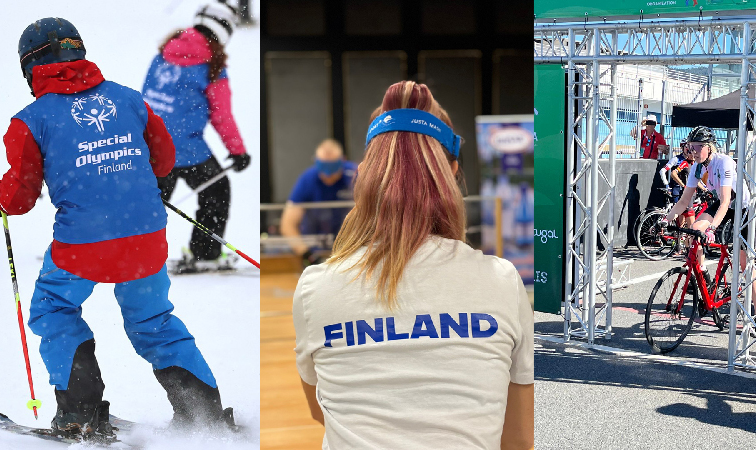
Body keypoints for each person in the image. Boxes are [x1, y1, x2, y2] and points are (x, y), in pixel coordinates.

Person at [0, 17, 235, 438]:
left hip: (82, 245)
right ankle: (203, 414)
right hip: (144, 236)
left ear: (28, 67)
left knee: (54, 308)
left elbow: (20, 196)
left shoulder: (30, 121)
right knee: (154, 320)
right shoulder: (129, 100)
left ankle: (80, 414)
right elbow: (164, 161)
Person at [292, 81, 534, 450]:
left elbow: (323, 411)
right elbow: (517, 439)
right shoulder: (502, 281)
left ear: (365, 173)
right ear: (452, 170)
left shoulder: (315, 288)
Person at [142, 0, 251, 274]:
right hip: (187, 149)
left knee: (148, 205)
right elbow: (221, 116)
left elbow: (145, 99)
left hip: (152, 148)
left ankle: (128, 251)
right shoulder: (211, 67)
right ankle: (205, 252)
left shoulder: (162, 55)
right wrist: (238, 152)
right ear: (225, 30)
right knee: (217, 191)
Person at [664, 126, 756, 318]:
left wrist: (713, 228)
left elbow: (726, 200)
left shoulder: (723, 162)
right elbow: (684, 201)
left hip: (742, 207)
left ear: (709, 147)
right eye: (691, 147)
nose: (694, 151)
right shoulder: (697, 167)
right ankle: (705, 278)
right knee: (695, 228)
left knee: (745, 263)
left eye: (698, 147)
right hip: (722, 203)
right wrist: (666, 218)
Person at [280, 139, 357, 267]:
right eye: (323, 166)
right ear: (315, 161)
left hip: (349, 249)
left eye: (333, 167)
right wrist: (307, 254)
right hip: (315, 249)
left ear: (343, 161)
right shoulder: (307, 180)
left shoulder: (356, 175)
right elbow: (287, 224)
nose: (327, 174)